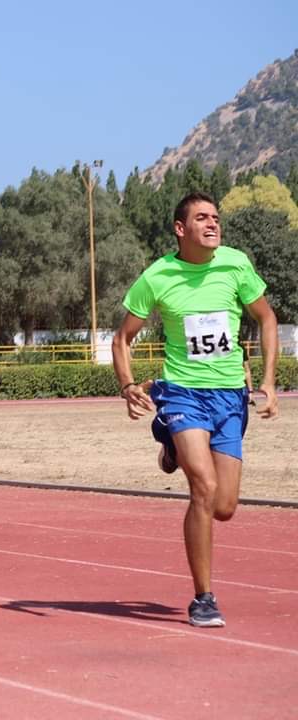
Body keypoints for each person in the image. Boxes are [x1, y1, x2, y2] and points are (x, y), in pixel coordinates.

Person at [112, 191, 279, 629]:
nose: (212, 223)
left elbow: (267, 318)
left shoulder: (235, 265)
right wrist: (127, 384)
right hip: (183, 394)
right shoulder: (158, 276)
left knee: (224, 506)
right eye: (202, 217)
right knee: (202, 487)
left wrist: (267, 380)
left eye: (216, 217)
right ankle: (203, 597)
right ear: (180, 228)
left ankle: (171, 445)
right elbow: (122, 338)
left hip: (229, 396)